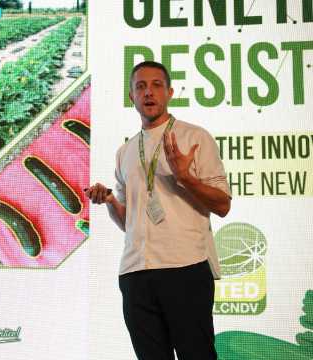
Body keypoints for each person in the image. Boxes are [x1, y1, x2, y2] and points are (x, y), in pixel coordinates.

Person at [85, 61, 231, 360]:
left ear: (170, 92)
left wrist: (185, 177)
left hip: (185, 267)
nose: (148, 93)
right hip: (135, 272)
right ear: (131, 97)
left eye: (156, 85)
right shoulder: (125, 152)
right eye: (140, 86)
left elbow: (223, 205)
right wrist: (111, 201)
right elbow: (129, 222)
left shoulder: (195, 137)